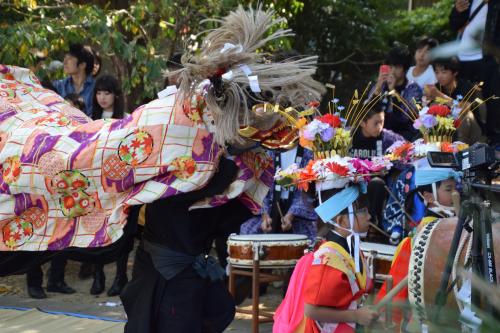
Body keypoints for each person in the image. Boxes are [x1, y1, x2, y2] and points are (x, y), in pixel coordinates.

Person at [376, 160, 460, 330]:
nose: (455, 194)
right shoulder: (416, 240)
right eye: (449, 189)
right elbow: (397, 298)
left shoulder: (458, 228)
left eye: (455, 188)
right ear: (428, 197)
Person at [240, 147, 318, 242]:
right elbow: (262, 187)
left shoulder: (308, 153)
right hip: (271, 207)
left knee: (305, 239)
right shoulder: (268, 152)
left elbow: (307, 191)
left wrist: (290, 216)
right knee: (247, 231)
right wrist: (265, 216)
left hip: (297, 212)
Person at [449, 0, 500, 144]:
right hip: (463, 58)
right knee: (465, 101)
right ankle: (465, 140)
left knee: (493, 101)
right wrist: (458, 12)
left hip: (488, 58)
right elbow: (454, 25)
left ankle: (493, 141)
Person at [350, 101, 404, 229]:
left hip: (376, 184)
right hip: (352, 181)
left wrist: (391, 162)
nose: (380, 127)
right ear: (363, 123)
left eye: (382, 122)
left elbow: (406, 151)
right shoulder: (348, 136)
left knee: (377, 183)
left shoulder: (388, 138)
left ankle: (373, 223)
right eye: (376, 123)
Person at [425, 57, 482, 144]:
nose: (439, 76)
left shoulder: (467, 86)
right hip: (448, 132)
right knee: (433, 107)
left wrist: (440, 96)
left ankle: (460, 149)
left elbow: (463, 109)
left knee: (465, 115)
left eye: (444, 72)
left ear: (455, 72)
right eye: (437, 72)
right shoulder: (436, 88)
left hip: (471, 131)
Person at [371, 44, 422, 141]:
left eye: (397, 67)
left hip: (404, 137)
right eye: (390, 66)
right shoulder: (380, 84)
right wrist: (378, 87)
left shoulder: (413, 88)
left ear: (405, 69)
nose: (392, 71)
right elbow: (366, 112)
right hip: (378, 134)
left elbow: (404, 117)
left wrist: (393, 91)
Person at [52, 43, 95, 116]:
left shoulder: (96, 88)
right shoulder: (58, 85)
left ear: (82, 65)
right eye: (64, 58)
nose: (64, 62)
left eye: (69, 59)